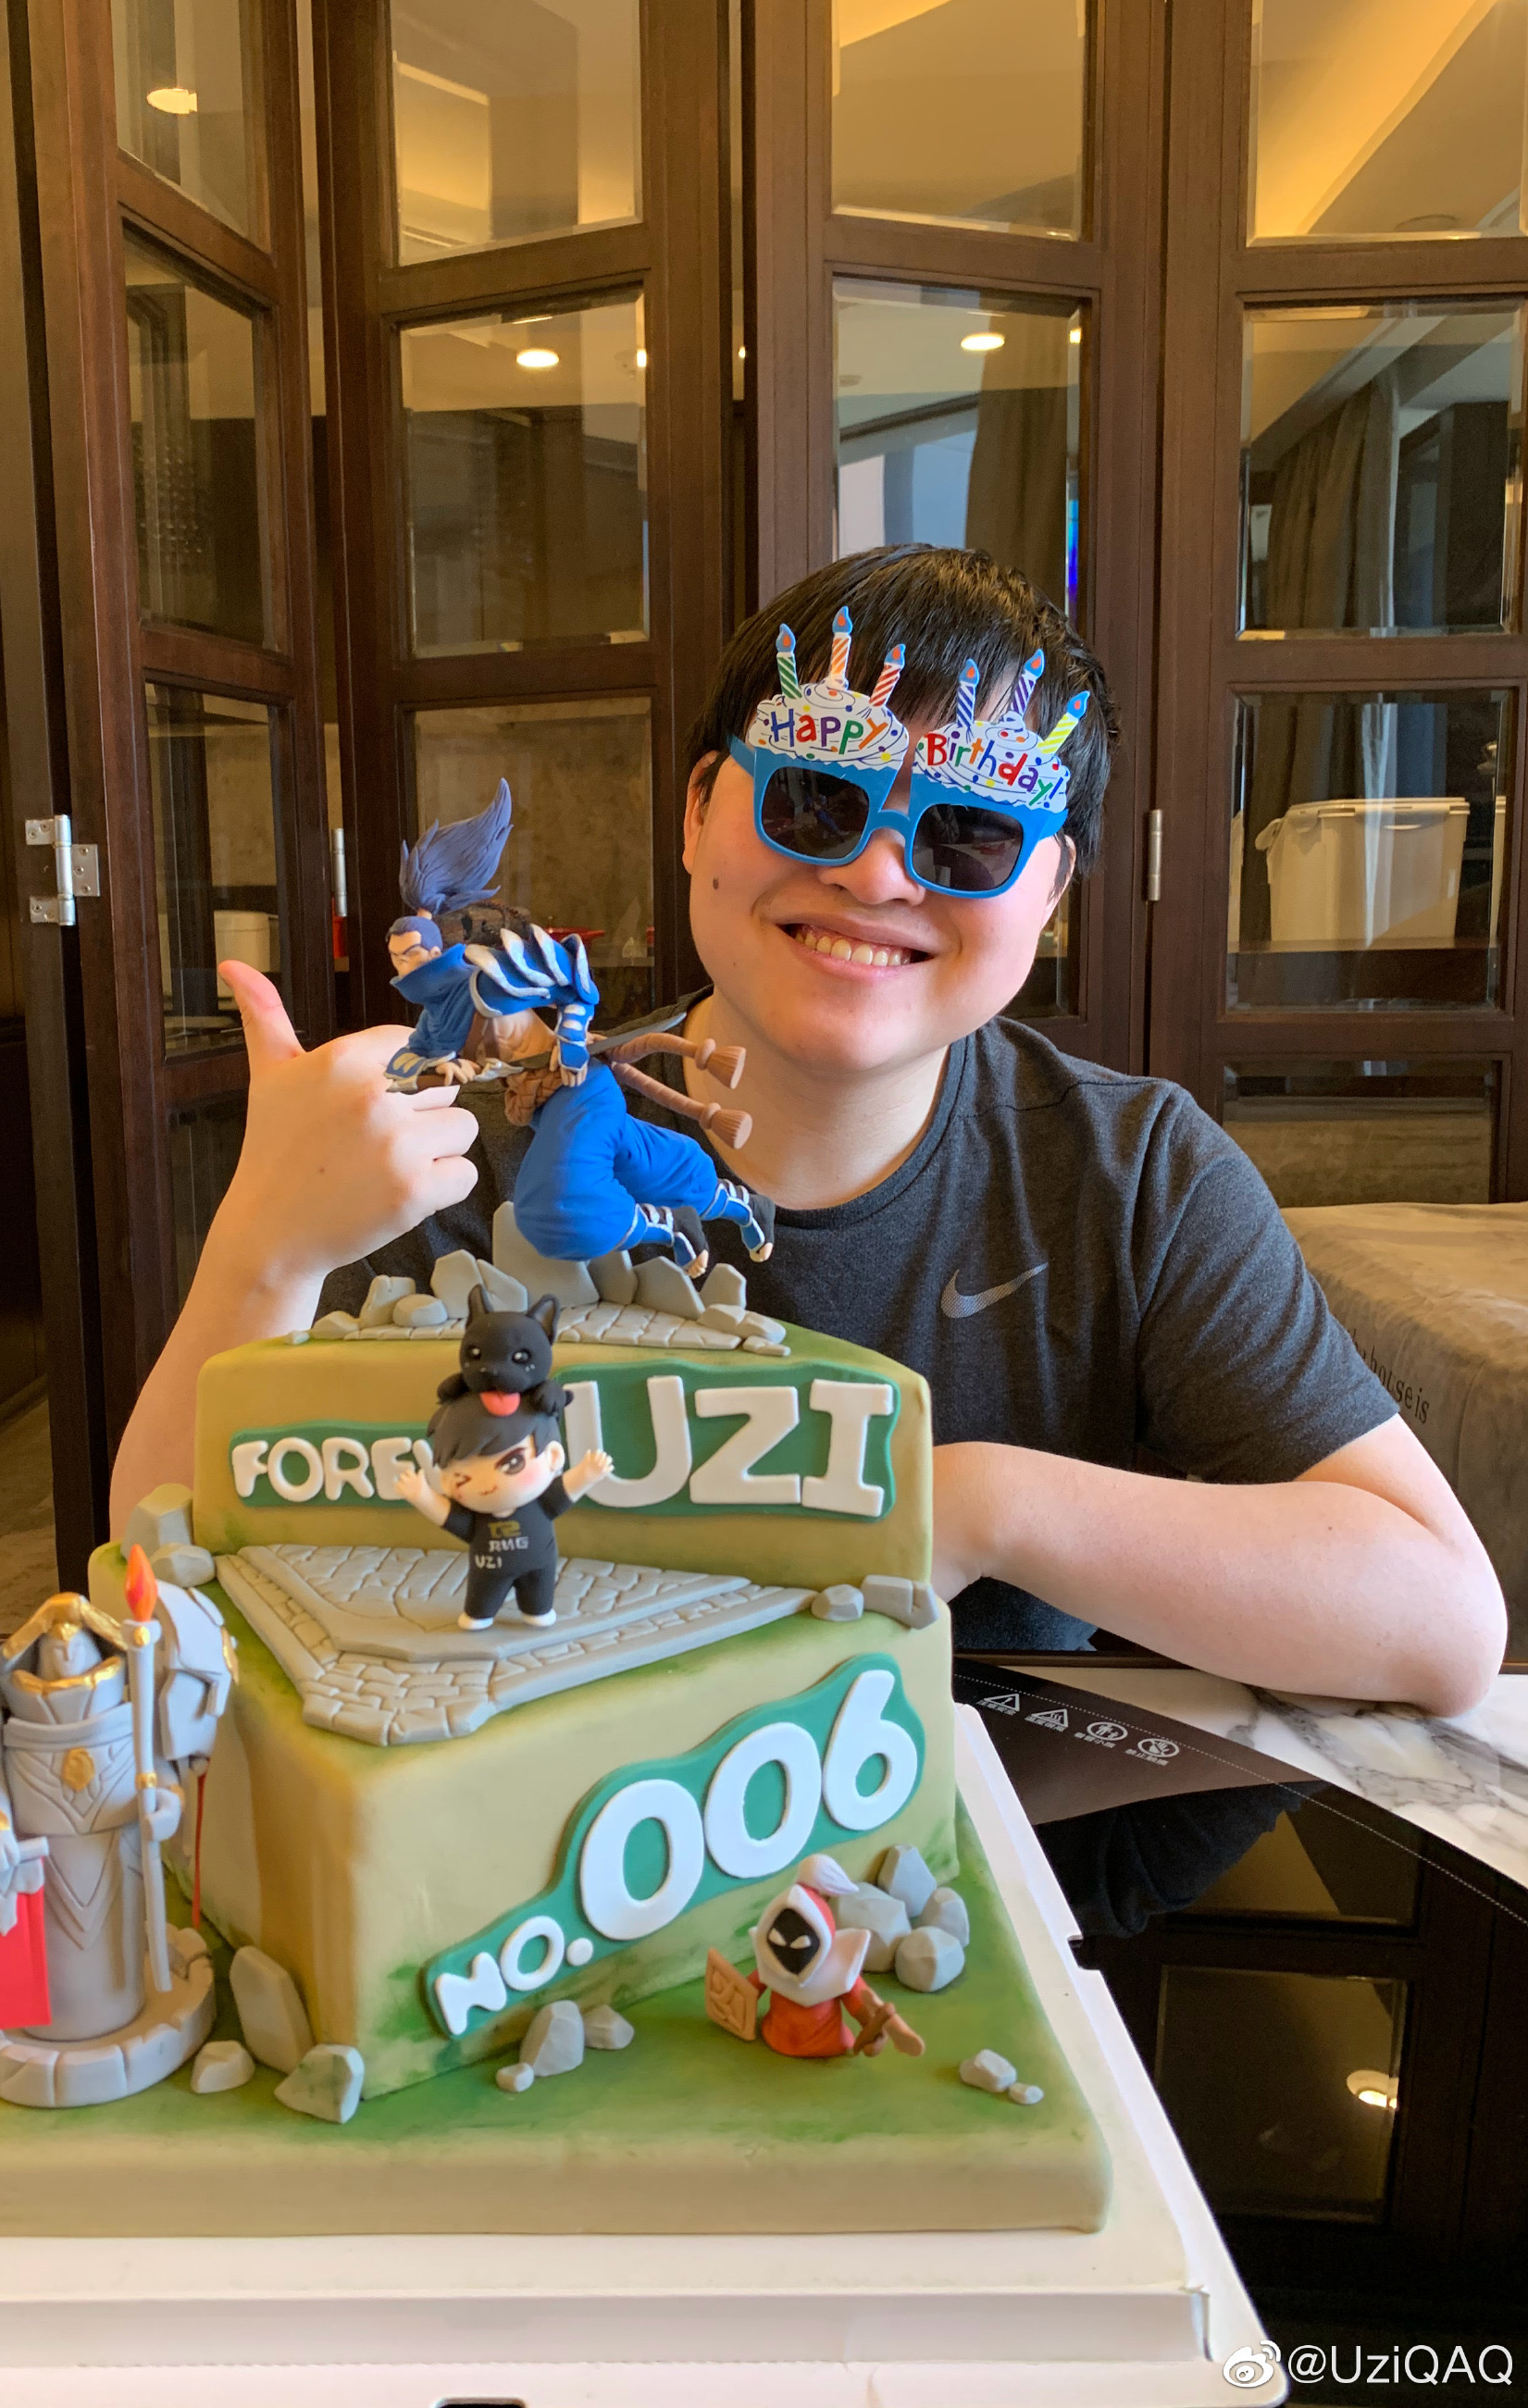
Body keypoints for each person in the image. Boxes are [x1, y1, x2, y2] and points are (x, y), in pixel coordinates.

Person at [110, 545, 1504, 1717]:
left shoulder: (1131, 1175)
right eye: (818, 798)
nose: (879, 874)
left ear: (1051, 894)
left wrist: (963, 1502)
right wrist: (260, 1250)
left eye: (969, 834)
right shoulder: (474, 1143)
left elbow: (1438, 1620)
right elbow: (152, 1585)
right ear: (699, 811)